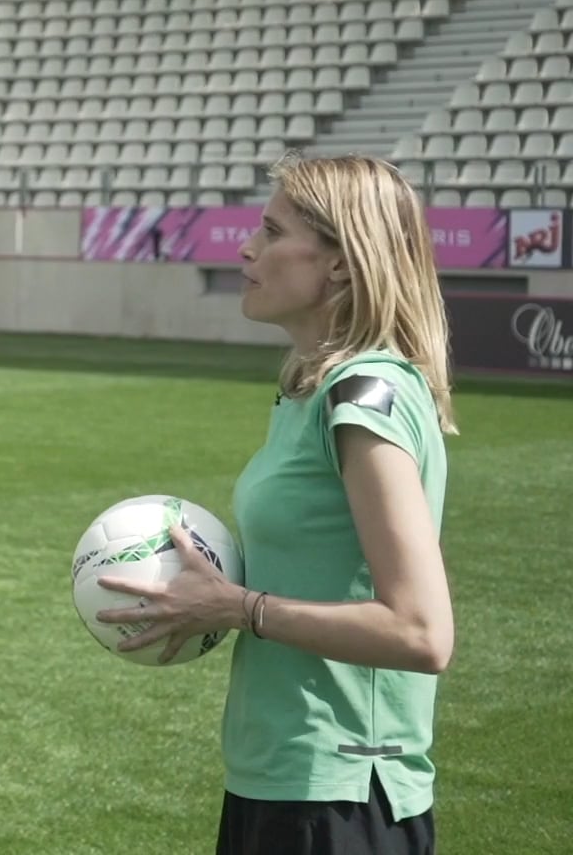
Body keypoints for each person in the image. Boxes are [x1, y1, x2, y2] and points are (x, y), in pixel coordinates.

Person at [98, 152, 456, 855]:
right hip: (281, 779)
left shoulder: (362, 399)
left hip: (342, 793)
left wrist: (238, 607)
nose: (246, 245)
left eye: (271, 230)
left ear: (340, 265)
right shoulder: (310, 391)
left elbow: (422, 632)